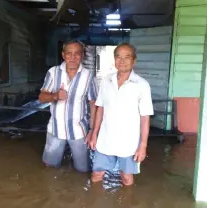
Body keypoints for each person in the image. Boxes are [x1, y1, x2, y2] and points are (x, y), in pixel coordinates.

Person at [88, 43, 154, 185]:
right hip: (105, 139)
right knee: (96, 175)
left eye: (127, 57)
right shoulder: (106, 80)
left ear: (134, 60)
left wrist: (143, 146)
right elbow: (100, 108)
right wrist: (94, 134)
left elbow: (145, 118)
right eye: (118, 57)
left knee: (126, 178)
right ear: (114, 59)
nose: (122, 61)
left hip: (128, 142)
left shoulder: (142, 85)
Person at [38, 40, 98, 172]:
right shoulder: (53, 73)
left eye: (77, 53)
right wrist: (55, 96)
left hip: (79, 131)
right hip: (55, 129)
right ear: (63, 55)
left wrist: (92, 131)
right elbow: (41, 98)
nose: (73, 57)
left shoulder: (88, 76)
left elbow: (93, 105)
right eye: (69, 53)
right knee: (49, 167)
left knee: (83, 170)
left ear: (82, 56)